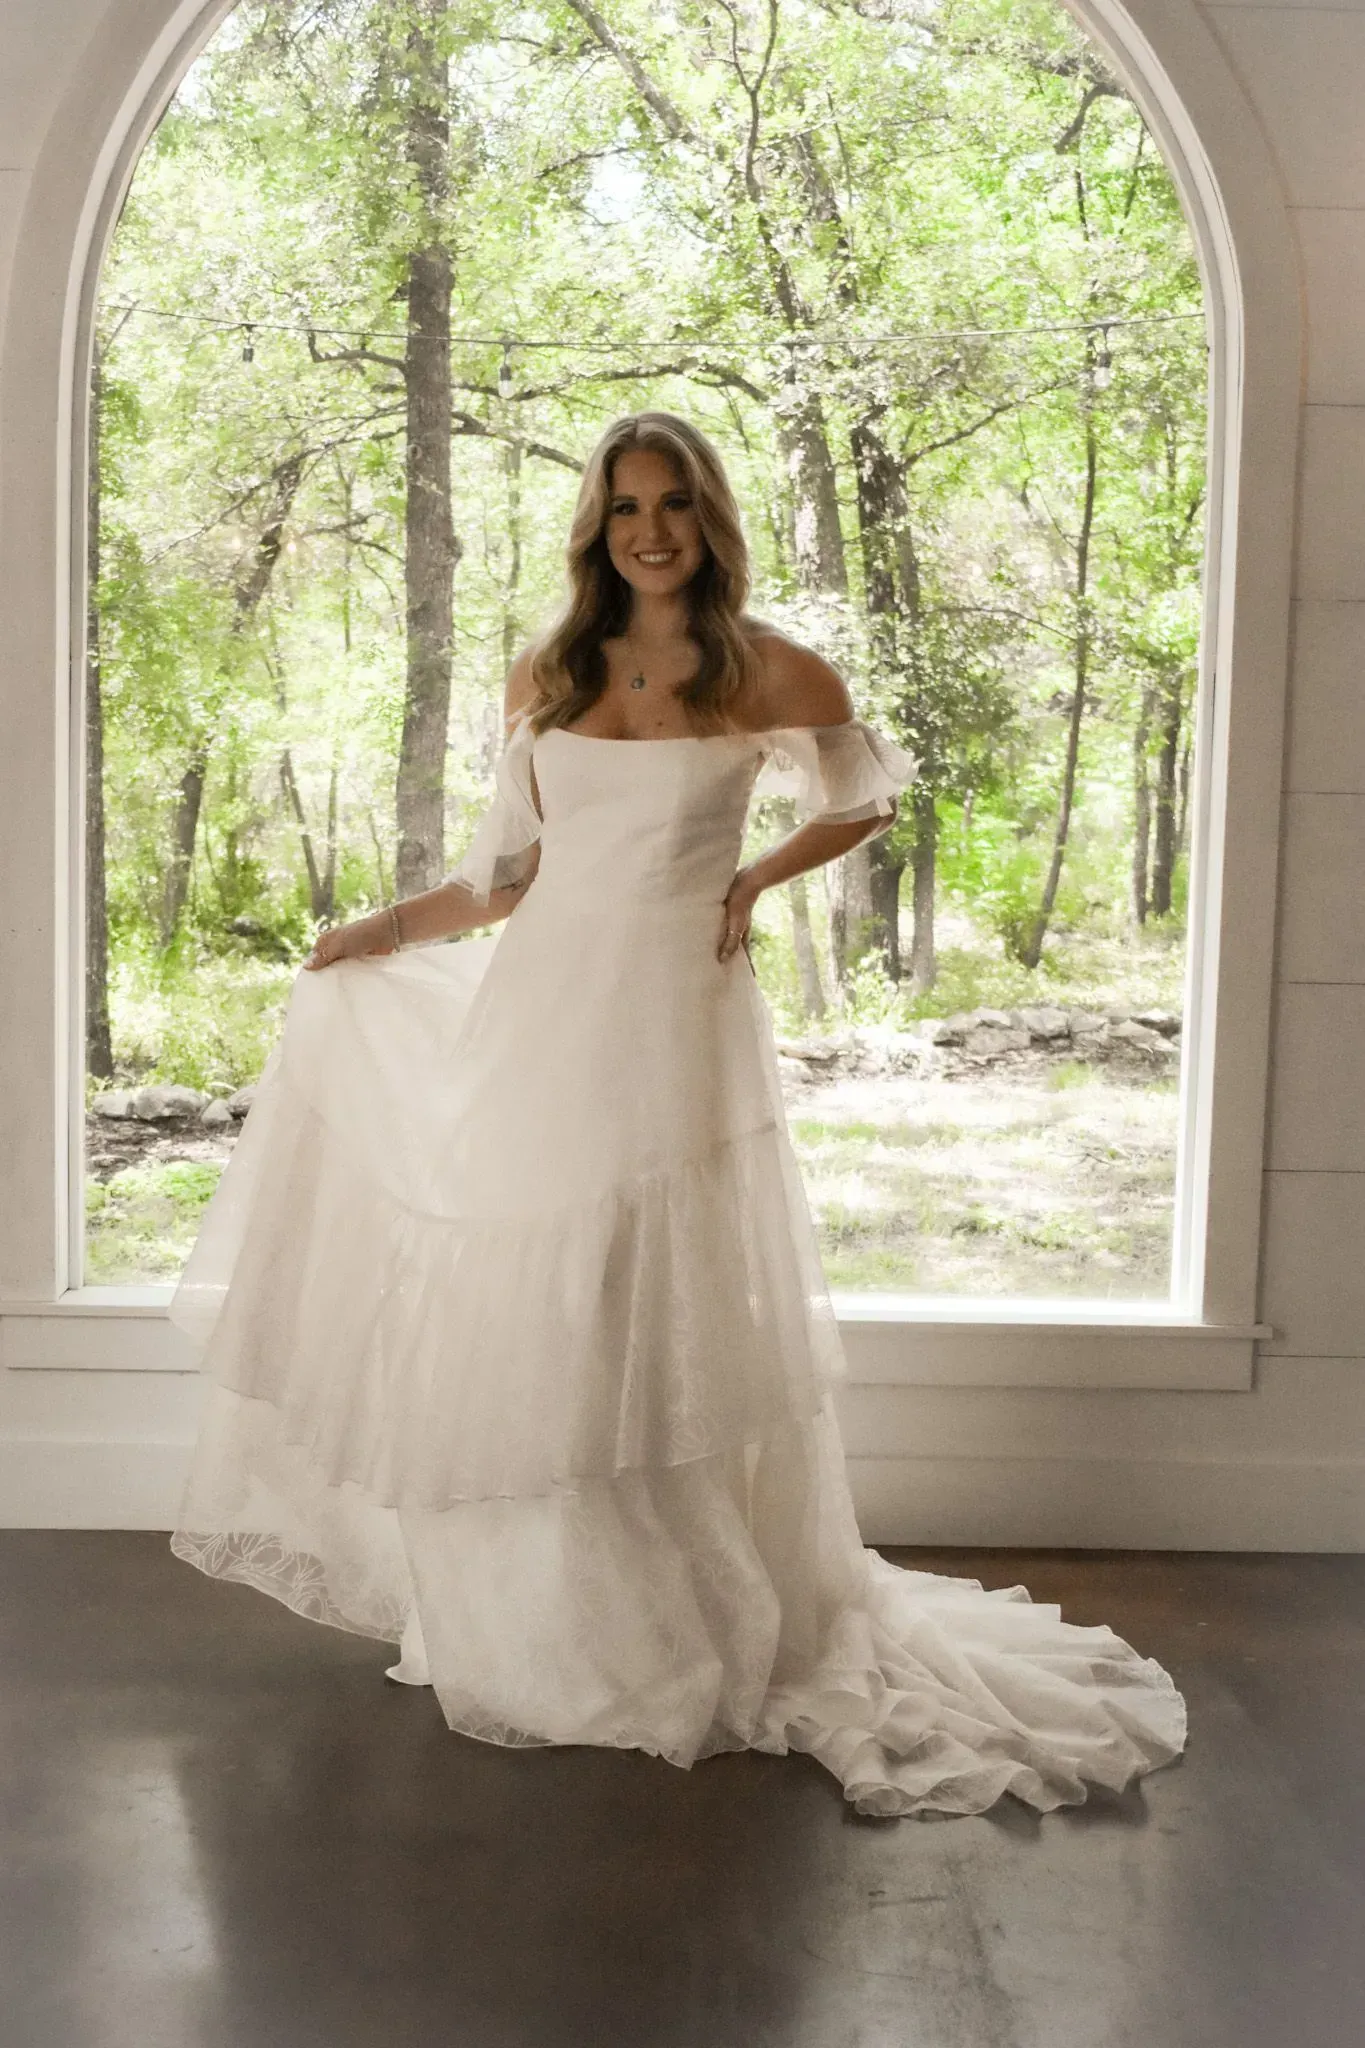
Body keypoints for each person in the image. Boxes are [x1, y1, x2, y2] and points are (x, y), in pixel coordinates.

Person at [168, 410, 1186, 1819]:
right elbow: (508, 878)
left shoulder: (767, 665)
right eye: (626, 506)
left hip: (674, 1016)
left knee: (659, 1295)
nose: (650, 530)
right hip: (544, 1011)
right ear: (597, 525)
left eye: (676, 506)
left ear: (710, 519)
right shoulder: (552, 668)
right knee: (541, 1302)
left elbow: (868, 794)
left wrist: (756, 881)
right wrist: (382, 931)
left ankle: (691, 1612)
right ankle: (555, 1621)